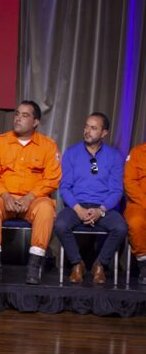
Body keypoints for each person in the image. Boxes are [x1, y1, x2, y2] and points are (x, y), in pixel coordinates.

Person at [0, 100, 61, 284]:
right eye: (17, 114)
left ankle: (34, 266)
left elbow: (52, 179)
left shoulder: (48, 146)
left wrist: (31, 196)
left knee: (46, 209)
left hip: (33, 200)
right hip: (5, 198)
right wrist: (5, 195)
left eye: (25, 115)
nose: (18, 118)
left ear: (36, 122)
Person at [54, 113, 127, 284]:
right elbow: (64, 187)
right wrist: (78, 209)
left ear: (104, 133)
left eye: (93, 128)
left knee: (121, 227)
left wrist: (100, 210)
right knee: (60, 224)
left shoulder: (114, 156)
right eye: (86, 126)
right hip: (77, 206)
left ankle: (100, 264)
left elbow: (117, 190)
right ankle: (77, 264)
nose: (87, 131)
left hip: (103, 208)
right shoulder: (72, 153)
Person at [124, 141, 146, 284]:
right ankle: (144, 265)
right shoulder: (137, 153)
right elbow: (130, 182)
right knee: (136, 222)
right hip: (139, 203)